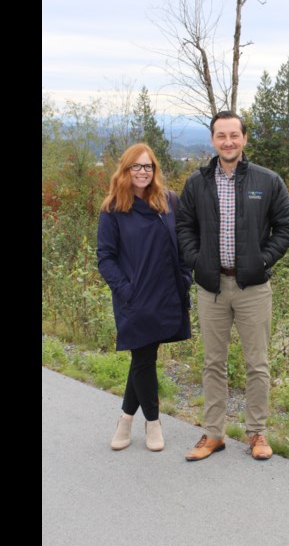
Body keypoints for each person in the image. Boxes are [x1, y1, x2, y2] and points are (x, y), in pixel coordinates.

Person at [176, 110, 289, 461]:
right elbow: (184, 226)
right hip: (211, 288)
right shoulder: (197, 182)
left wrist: (262, 260)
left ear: (244, 139)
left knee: (256, 363)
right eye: (221, 135)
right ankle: (213, 434)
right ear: (213, 140)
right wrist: (196, 261)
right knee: (213, 363)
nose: (227, 141)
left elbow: (287, 226)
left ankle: (257, 433)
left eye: (234, 135)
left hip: (252, 288)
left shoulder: (267, 180)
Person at [97, 143, 193, 452]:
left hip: (166, 294)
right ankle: (153, 423)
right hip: (134, 298)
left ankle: (125, 419)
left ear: (155, 170)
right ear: (125, 170)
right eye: (136, 166)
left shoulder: (169, 201)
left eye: (148, 166)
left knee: (144, 357)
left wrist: (185, 278)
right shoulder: (113, 209)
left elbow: (183, 245)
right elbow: (106, 258)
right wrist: (126, 291)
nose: (143, 172)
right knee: (143, 357)